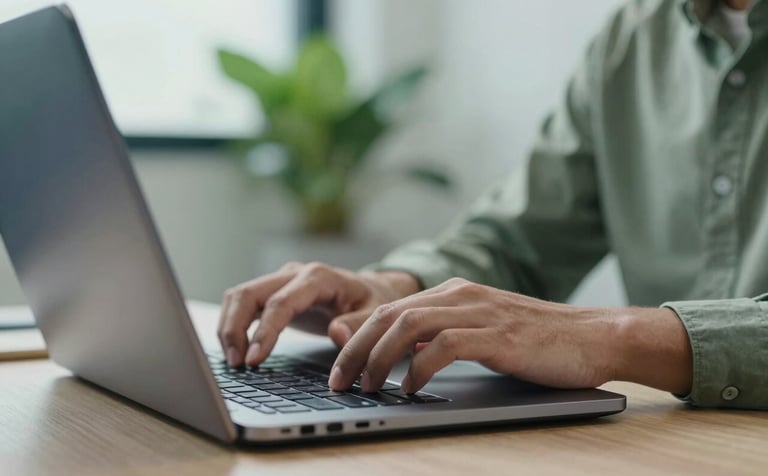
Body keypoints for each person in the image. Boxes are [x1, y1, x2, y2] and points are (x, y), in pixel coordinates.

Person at [217, 0, 768, 410]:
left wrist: (611, 336)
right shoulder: (634, 37)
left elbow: (601, 331)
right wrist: (399, 288)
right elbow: (522, 237)